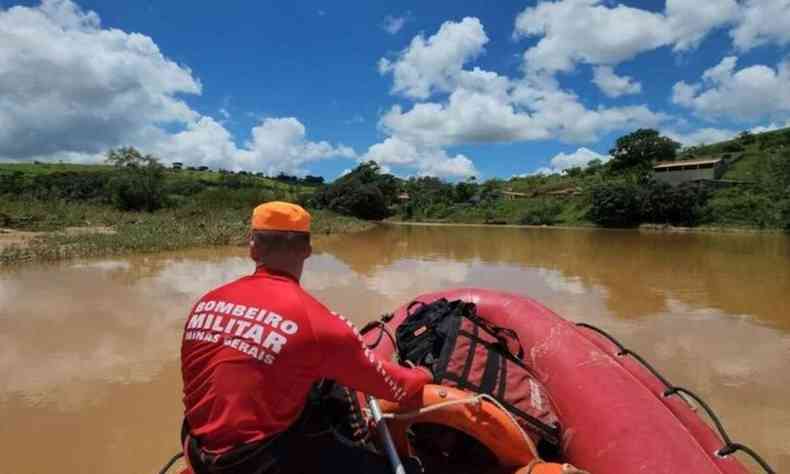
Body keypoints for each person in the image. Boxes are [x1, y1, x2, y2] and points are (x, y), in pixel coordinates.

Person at [180, 201, 432, 474]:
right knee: (406, 469)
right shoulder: (317, 322)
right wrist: (422, 374)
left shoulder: (206, 301)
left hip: (195, 445)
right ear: (307, 250)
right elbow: (393, 387)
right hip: (255, 463)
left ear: (253, 248)